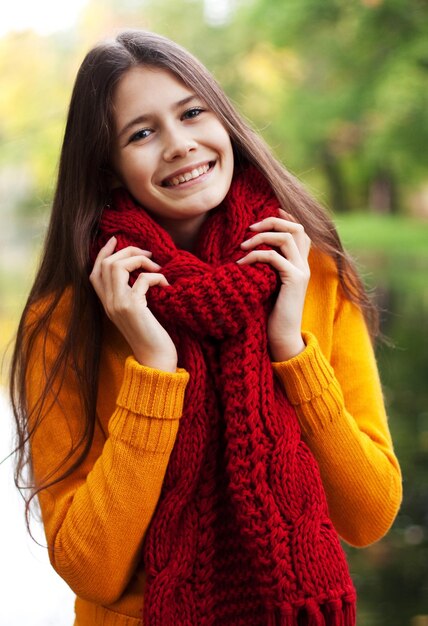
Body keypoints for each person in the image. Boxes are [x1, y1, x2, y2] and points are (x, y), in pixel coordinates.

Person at [10, 30, 402, 626]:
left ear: (225, 124)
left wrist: (291, 350)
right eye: (141, 133)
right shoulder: (64, 322)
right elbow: (92, 568)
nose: (179, 145)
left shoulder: (311, 271)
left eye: (193, 113)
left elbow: (369, 515)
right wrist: (154, 369)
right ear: (109, 169)